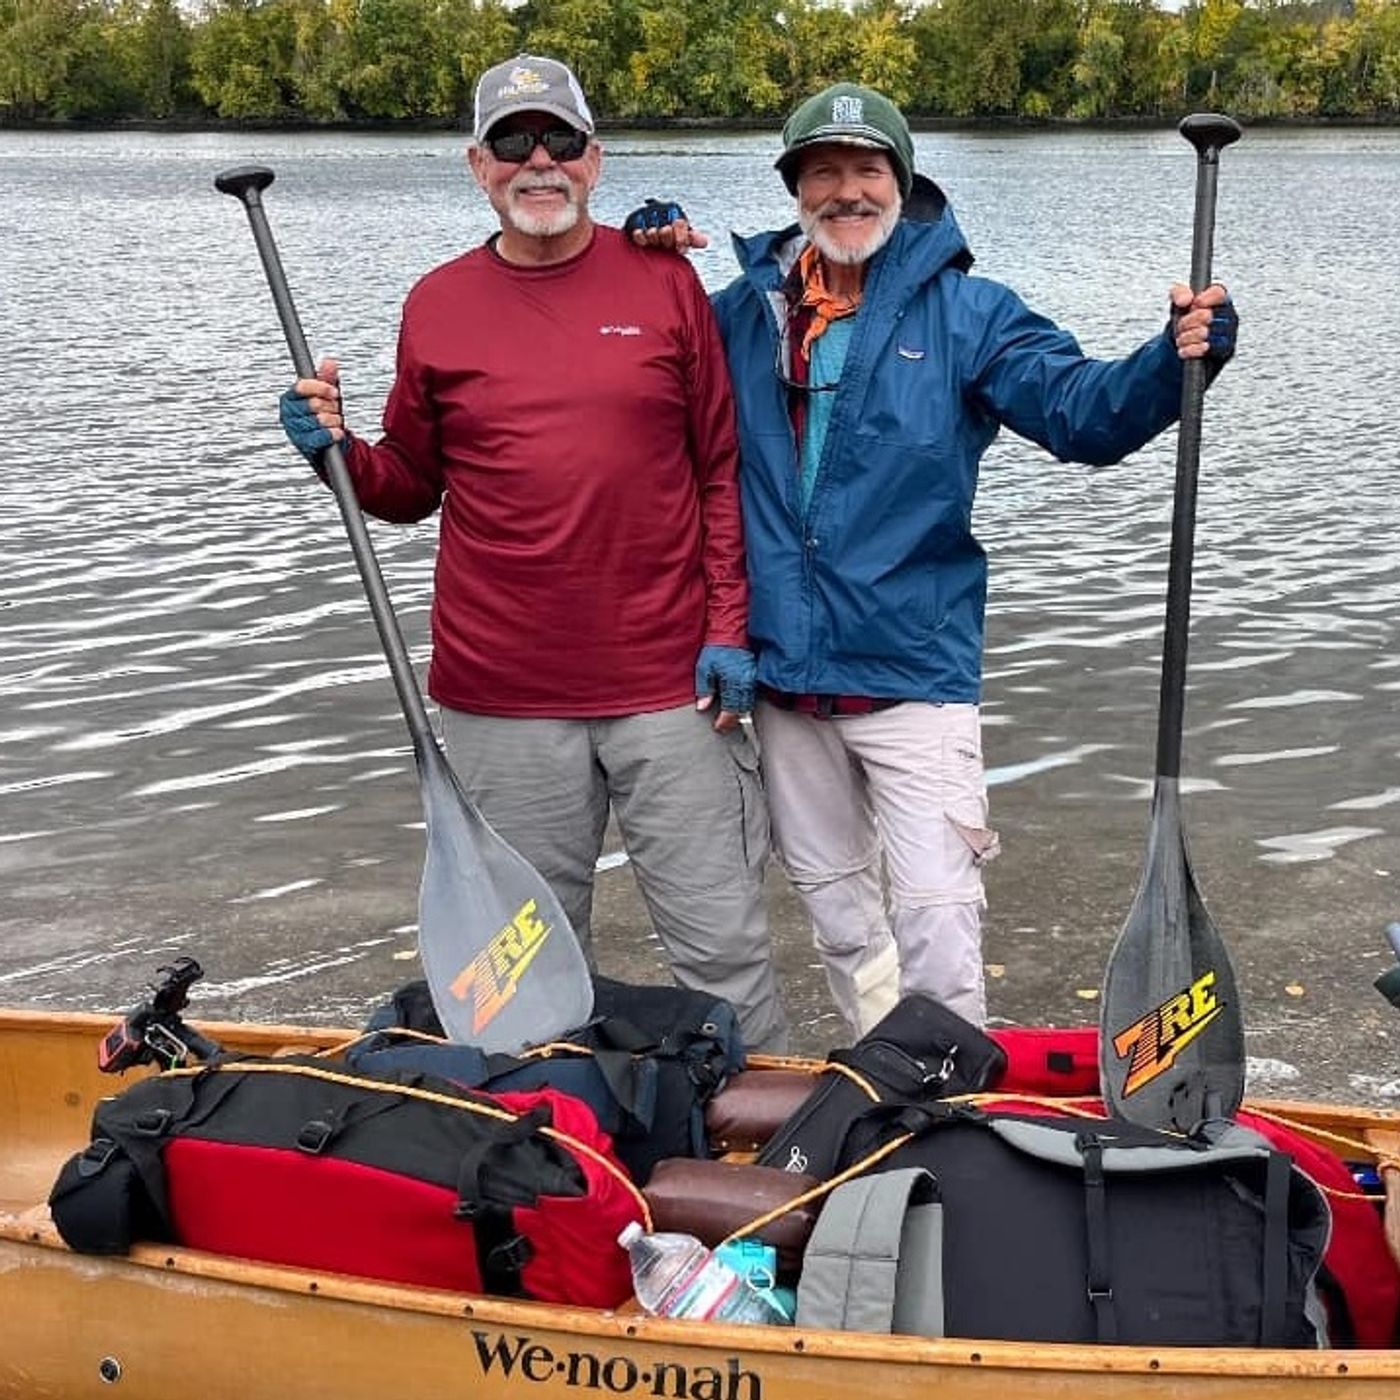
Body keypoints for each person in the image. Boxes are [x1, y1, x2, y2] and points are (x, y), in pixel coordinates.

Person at [630, 83, 1238, 1038]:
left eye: (867, 170)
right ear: (795, 190)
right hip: (783, 683)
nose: (846, 191)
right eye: (822, 172)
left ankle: (951, 1093)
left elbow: (1085, 414)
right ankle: (884, 1074)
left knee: (938, 919)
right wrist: (640, 270)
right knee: (839, 917)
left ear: (902, 184)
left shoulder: (970, 316)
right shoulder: (735, 318)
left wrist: (1172, 361)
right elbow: (630, 390)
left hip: (915, 674)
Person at [276, 54, 787, 1052]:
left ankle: (768, 1128)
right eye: (512, 142)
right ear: (479, 165)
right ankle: (534, 1131)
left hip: (671, 688)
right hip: (499, 697)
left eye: (560, 139)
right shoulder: (438, 302)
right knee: (518, 976)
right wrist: (336, 453)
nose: (538, 160)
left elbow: (719, 469)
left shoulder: (665, 280)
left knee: (724, 951)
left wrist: (729, 627)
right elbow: (409, 484)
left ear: (594, 160)